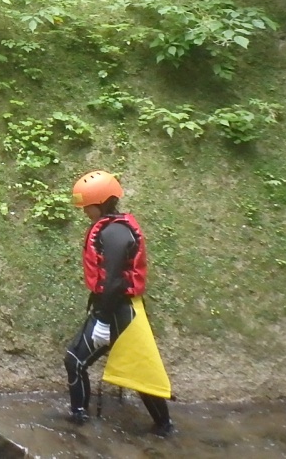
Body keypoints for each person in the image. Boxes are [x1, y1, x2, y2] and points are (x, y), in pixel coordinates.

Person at [64, 170, 173, 435]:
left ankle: (79, 421)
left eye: (86, 205)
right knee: (140, 373)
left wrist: (101, 319)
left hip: (116, 311)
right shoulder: (116, 228)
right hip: (122, 309)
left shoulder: (113, 233)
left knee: (75, 360)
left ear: (99, 202)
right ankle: (164, 427)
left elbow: (114, 280)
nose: (84, 211)